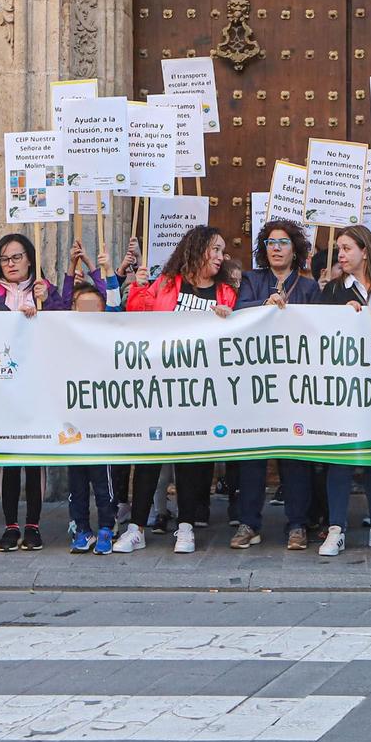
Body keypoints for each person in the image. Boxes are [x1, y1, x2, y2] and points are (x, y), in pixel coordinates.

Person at [121, 225, 235, 553]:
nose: (220, 256)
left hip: (198, 392)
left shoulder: (224, 292)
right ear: (197, 249)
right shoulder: (168, 284)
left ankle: (185, 527)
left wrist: (226, 318)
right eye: (215, 249)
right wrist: (139, 290)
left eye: (223, 251)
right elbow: (139, 322)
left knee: (190, 461)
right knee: (148, 458)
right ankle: (136, 527)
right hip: (160, 387)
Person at [228, 221, 320, 550]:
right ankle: (248, 523)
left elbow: (319, 329)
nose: (276, 248)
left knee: (295, 456)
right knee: (252, 456)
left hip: (294, 384)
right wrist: (262, 307)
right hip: (258, 382)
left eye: (283, 242)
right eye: (270, 242)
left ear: (295, 249)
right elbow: (238, 311)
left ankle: (297, 524)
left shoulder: (308, 288)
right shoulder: (253, 281)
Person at [312, 226, 371, 556]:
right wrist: (339, 318)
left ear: (366, 250)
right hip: (344, 387)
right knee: (341, 458)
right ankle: (336, 527)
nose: (341, 255)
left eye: (347, 248)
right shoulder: (333, 291)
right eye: (339, 249)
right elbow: (319, 335)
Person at [0, 233, 69, 548]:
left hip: (39, 383)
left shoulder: (47, 292)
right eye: (4, 258)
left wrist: (49, 305)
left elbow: (68, 327)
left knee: (34, 458)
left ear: (30, 258)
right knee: (10, 458)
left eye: (16, 257)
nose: (10, 263)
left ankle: (33, 524)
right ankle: (10, 525)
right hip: (4, 386)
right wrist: (17, 316)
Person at [66, 283, 117, 554]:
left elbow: (116, 304)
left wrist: (108, 272)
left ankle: (107, 526)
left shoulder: (107, 336)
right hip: (73, 425)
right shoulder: (65, 338)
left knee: (102, 479)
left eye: (92, 308)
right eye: (80, 307)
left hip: (101, 425)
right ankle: (82, 528)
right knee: (77, 482)